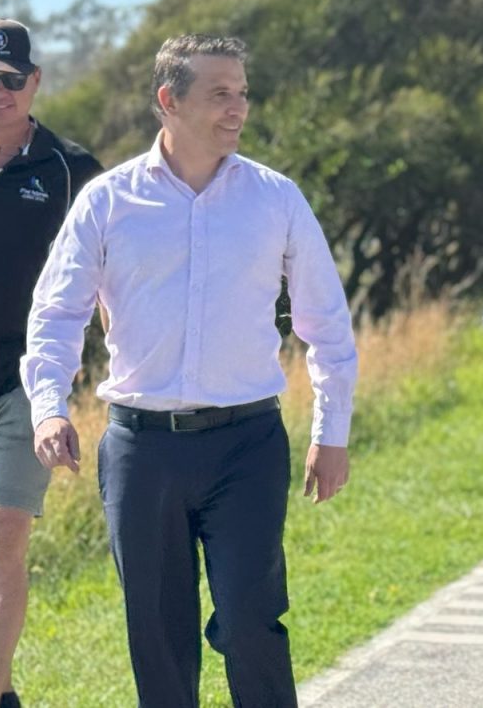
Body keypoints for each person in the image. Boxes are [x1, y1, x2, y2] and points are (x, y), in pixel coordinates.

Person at [21, 34, 358, 708]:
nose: (238, 108)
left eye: (242, 93)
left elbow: (325, 323)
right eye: (220, 94)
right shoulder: (108, 202)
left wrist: (333, 429)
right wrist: (49, 406)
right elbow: (57, 313)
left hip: (247, 445)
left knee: (249, 620)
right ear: (168, 102)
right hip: (141, 451)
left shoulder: (276, 199)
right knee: (157, 634)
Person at [0, 19, 102, 708]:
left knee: (6, 537)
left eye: (12, 80)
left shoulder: (72, 171)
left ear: (35, 82)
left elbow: (112, 271)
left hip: (28, 386)